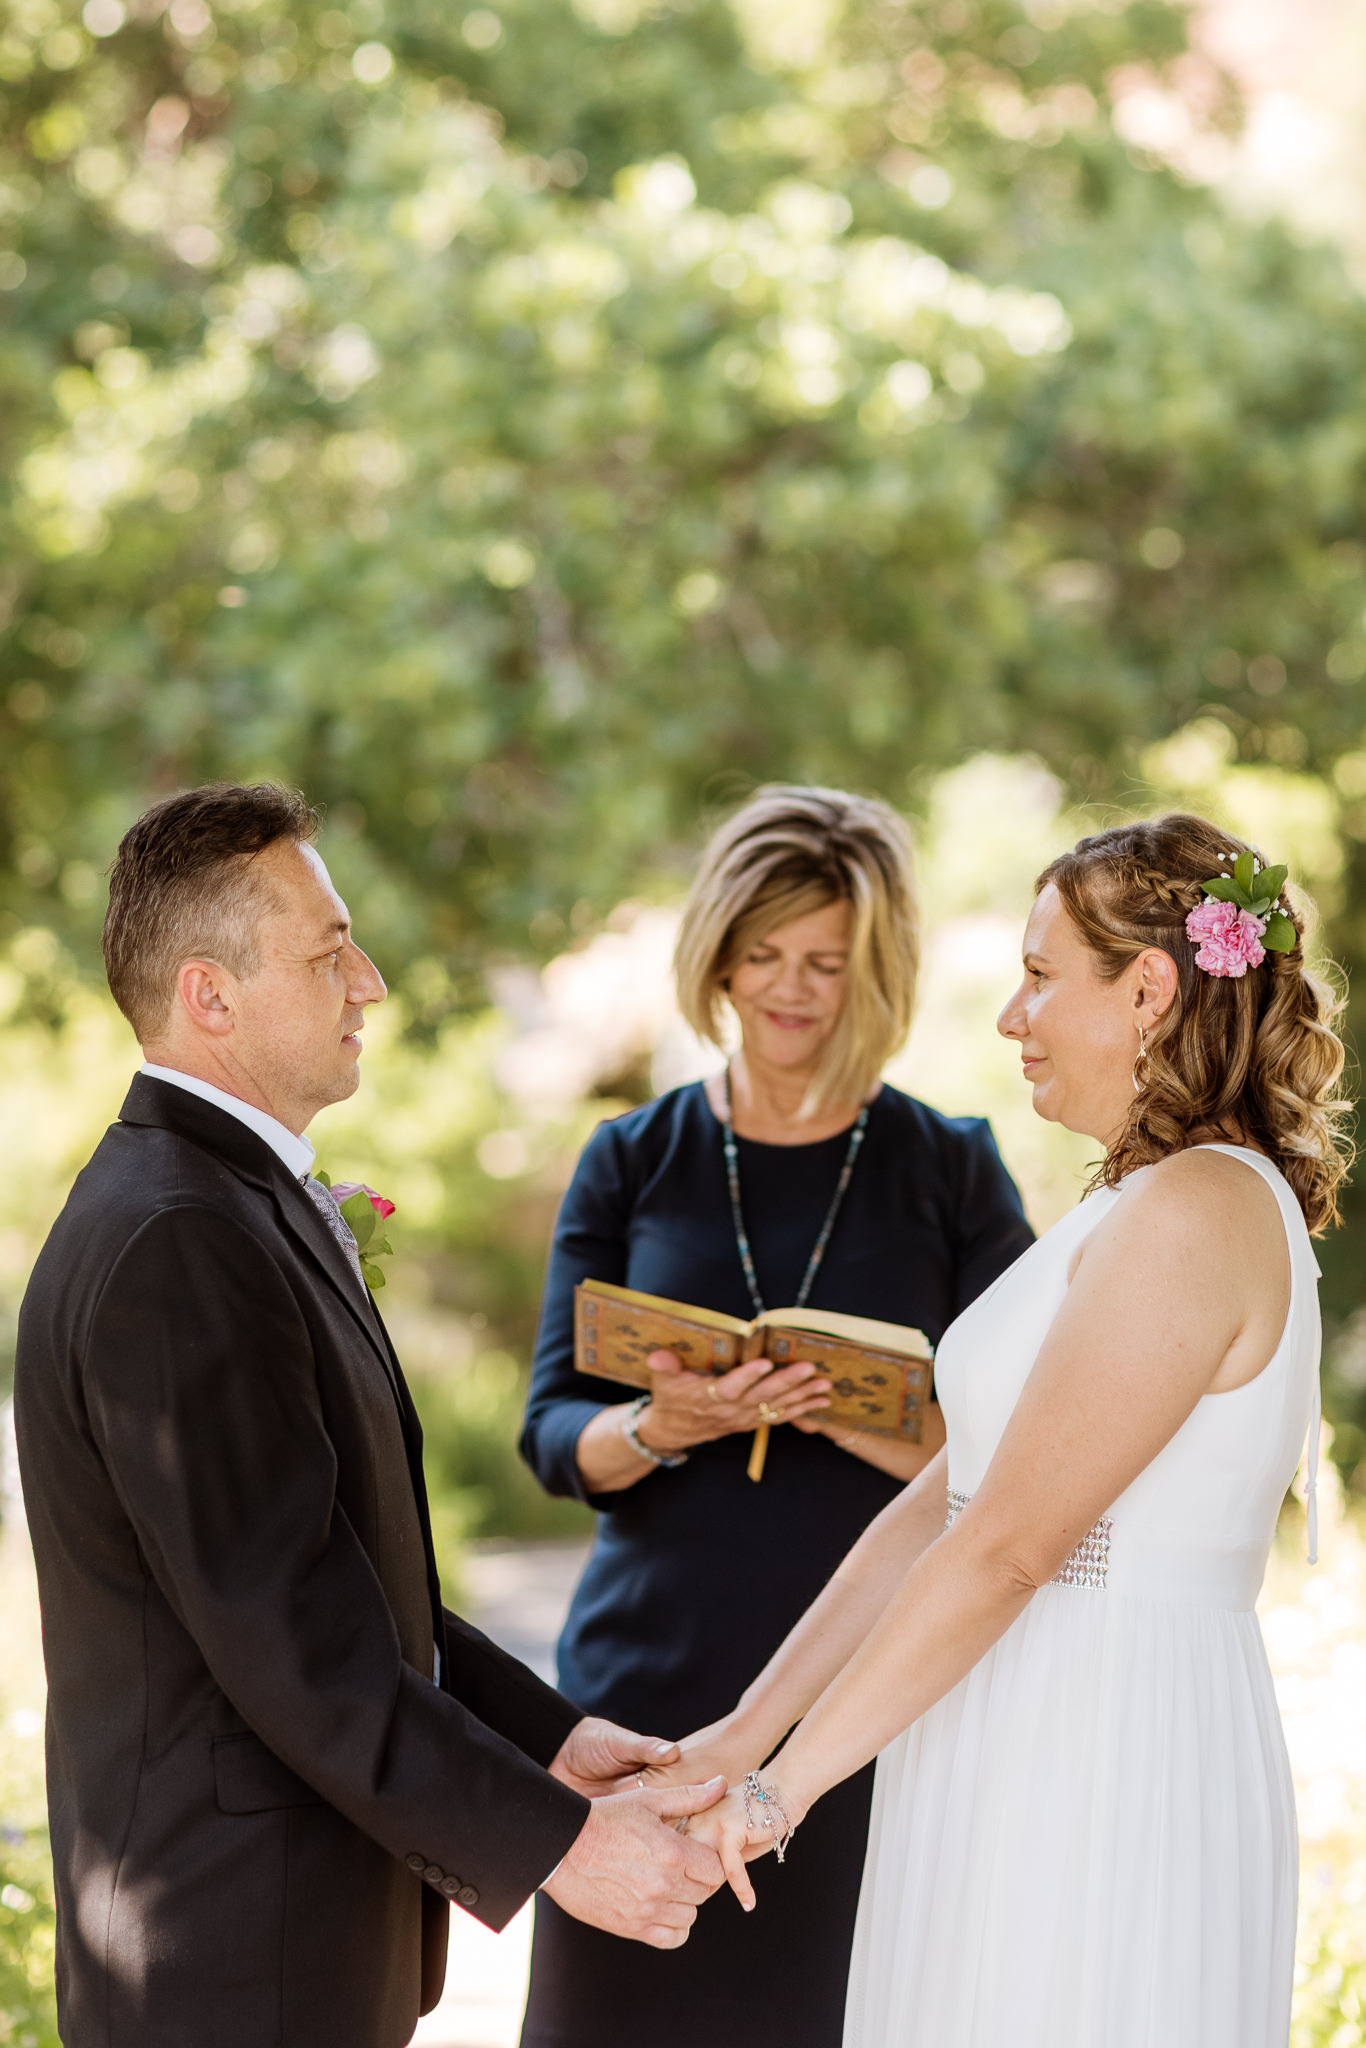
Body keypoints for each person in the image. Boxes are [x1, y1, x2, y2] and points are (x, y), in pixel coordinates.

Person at [13, 784, 727, 2048]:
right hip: (230, 1965)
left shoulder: (223, 1201)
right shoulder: (180, 1234)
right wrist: (558, 1847)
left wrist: (549, 1744)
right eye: (328, 949)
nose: (372, 981)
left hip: (287, 1948)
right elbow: (294, 1639)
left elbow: (333, 1570)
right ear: (209, 995)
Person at [676, 813, 1350, 2048]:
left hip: (1102, 1750)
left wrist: (781, 1795)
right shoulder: (1129, 1202)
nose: (1009, 1017)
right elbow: (941, 1503)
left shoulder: (1197, 1208)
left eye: (1039, 976)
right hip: (1010, 1726)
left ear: (1148, 987)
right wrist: (740, 1736)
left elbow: (1007, 1548)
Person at [518, 785, 1033, 2048]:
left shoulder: (949, 1163)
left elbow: (1033, 1455)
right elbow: (550, 1435)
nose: (792, 989)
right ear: (715, 958)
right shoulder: (631, 1155)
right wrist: (666, 1424)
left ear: (876, 973)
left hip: (870, 1699)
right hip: (652, 1685)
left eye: (826, 961)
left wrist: (866, 1419)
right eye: (763, 954)